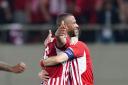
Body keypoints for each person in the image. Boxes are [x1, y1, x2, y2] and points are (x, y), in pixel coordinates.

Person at [39, 13, 94, 85]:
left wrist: (42, 63)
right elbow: (61, 46)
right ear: (65, 26)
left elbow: (61, 46)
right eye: (74, 23)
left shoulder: (78, 45)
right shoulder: (55, 44)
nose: (77, 25)